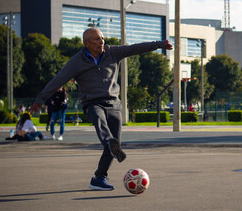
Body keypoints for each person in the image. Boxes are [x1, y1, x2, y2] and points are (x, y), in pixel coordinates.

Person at [29, 27, 173, 191]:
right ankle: (109, 142)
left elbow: (135, 48)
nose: (101, 42)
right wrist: (40, 99)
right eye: (97, 39)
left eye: (102, 38)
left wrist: (160, 44)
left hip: (113, 103)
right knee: (102, 126)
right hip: (92, 103)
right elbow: (58, 79)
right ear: (87, 43)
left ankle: (99, 178)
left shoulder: (113, 52)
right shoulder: (77, 61)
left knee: (114, 145)